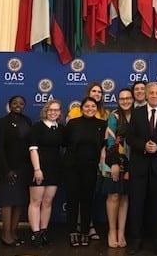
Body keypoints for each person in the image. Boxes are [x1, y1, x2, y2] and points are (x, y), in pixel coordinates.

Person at [127, 82, 157, 256]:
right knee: (137, 205)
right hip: (139, 166)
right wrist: (143, 146)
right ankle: (136, 241)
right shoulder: (137, 113)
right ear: (146, 95)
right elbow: (130, 137)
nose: (154, 95)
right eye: (151, 93)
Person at [63, 97, 107, 247]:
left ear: (97, 108)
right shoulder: (73, 123)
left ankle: (84, 232)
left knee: (88, 200)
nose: (90, 108)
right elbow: (64, 142)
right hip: (72, 167)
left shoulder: (102, 124)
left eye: (93, 106)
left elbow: (105, 145)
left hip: (91, 168)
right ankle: (72, 231)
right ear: (81, 108)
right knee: (72, 199)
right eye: (87, 106)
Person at [0, 95, 32, 247]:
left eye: (21, 103)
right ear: (9, 105)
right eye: (15, 103)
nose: (18, 105)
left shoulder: (27, 121)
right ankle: (5, 234)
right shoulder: (2, 122)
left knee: (19, 202)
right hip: (8, 168)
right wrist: (6, 169)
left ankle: (14, 232)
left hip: (24, 168)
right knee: (7, 202)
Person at [27, 99, 64, 247]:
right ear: (45, 111)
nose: (53, 112)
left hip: (55, 169)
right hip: (39, 168)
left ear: (60, 112)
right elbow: (33, 149)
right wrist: (37, 169)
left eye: (56, 110)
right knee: (36, 202)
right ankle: (35, 234)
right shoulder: (37, 127)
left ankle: (43, 232)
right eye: (51, 110)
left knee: (48, 202)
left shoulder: (61, 128)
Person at [101, 88, 134, 248]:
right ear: (118, 100)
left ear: (133, 99)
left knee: (125, 196)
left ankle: (121, 232)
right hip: (115, 161)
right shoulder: (113, 116)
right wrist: (114, 162)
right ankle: (111, 231)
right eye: (122, 98)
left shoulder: (138, 115)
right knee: (114, 195)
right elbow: (110, 140)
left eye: (128, 98)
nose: (125, 101)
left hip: (133, 162)